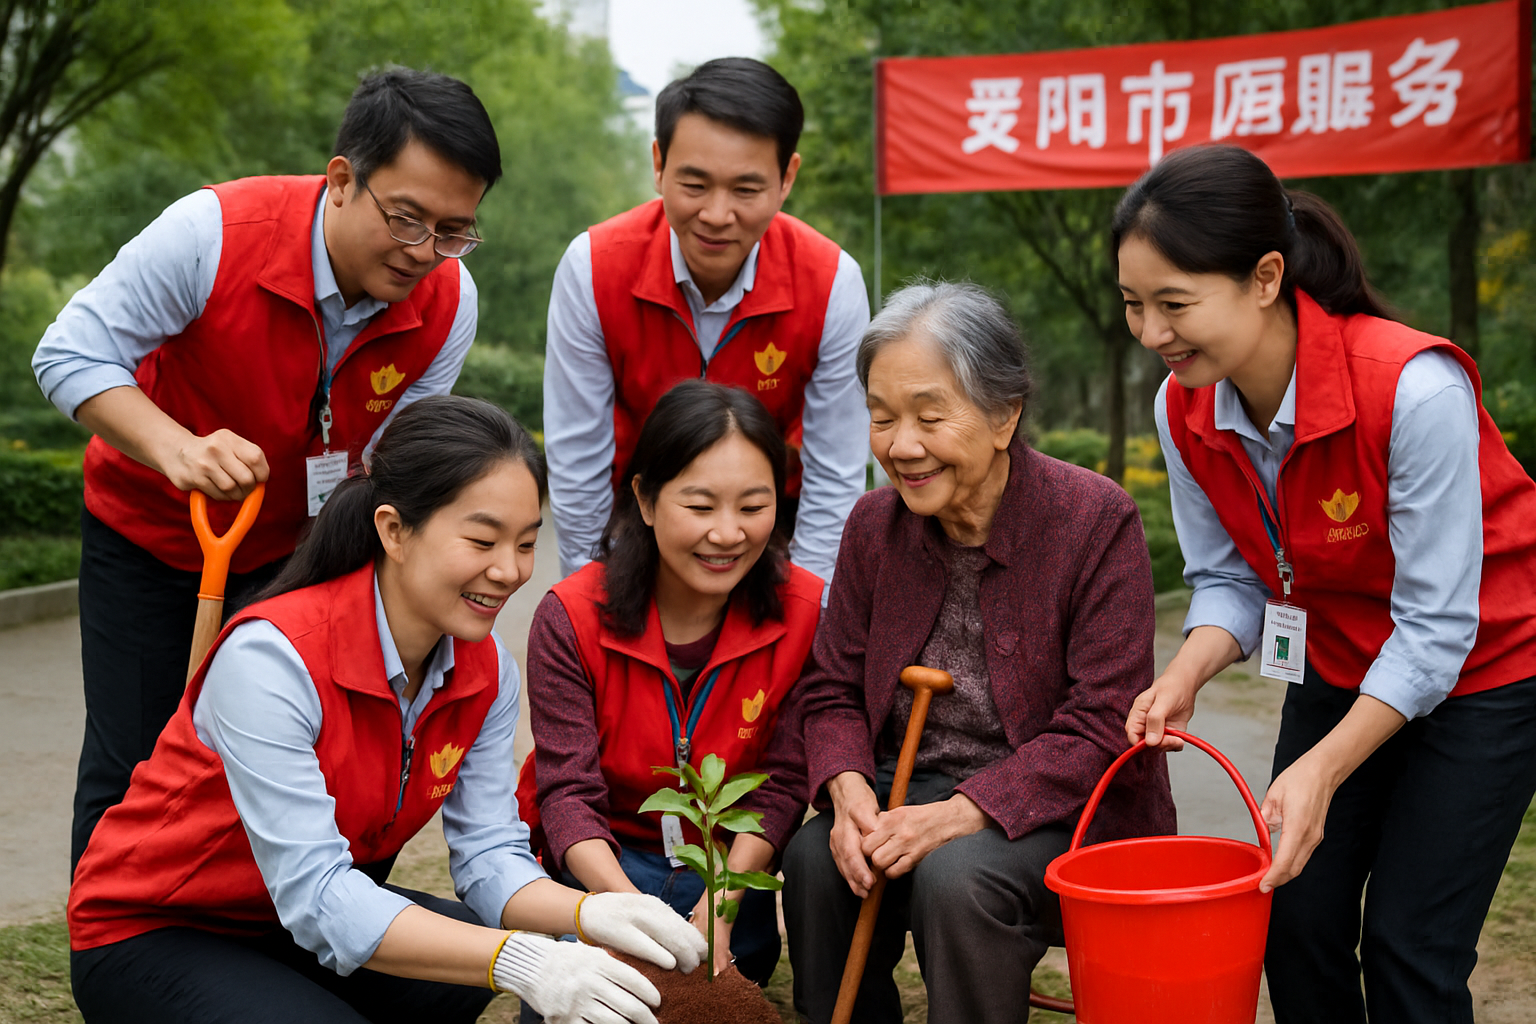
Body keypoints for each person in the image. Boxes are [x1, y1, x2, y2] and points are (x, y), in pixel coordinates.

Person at [67, 396, 707, 1024]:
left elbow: (488, 852)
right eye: (482, 539)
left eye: (526, 543)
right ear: (394, 530)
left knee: (461, 965)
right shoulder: (272, 659)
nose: (510, 571)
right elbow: (320, 894)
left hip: (284, 923)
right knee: (480, 957)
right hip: (157, 927)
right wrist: (523, 960)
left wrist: (586, 913)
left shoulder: (485, 673)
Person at [30, 69, 502, 870]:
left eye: (453, 231)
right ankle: (112, 951)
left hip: (293, 553)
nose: (426, 253)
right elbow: (70, 351)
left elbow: (395, 459)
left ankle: (257, 948)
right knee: (132, 761)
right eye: (406, 219)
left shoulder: (450, 303)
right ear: (343, 179)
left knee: (277, 760)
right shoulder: (213, 232)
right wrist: (178, 448)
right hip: (147, 538)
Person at [1116, 145, 1536, 1024]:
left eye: (1175, 304)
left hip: (1487, 673)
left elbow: (1434, 634)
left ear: (1266, 277)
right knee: (1294, 920)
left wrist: (1323, 768)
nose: (1153, 333)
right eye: (1133, 305)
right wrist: (1184, 675)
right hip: (1340, 661)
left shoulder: (1415, 391)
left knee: (1409, 945)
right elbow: (1230, 578)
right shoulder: (1181, 407)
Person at [781, 283, 1175, 1024]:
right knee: (814, 863)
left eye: (930, 416)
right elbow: (830, 687)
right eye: (882, 416)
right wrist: (847, 790)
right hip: (912, 788)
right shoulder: (874, 526)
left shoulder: (1094, 521)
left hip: (1071, 812)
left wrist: (966, 812)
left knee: (957, 876)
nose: (902, 445)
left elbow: (1100, 724)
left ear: (1004, 415)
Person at [518, 379, 822, 1005]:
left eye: (753, 505)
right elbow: (568, 792)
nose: (728, 533)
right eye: (701, 505)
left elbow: (788, 782)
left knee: (708, 997)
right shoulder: (571, 616)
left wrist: (722, 905)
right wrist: (623, 915)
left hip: (725, 867)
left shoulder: (807, 613)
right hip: (601, 861)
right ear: (646, 500)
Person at [542, 56, 869, 590]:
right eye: (694, 185)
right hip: (637, 515)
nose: (717, 215)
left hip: (768, 525)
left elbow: (836, 476)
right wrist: (587, 593)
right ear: (658, 164)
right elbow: (578, 457)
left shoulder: (831, 282)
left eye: (745, 190)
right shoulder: (594, 266)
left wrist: (811, 610)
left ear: (787, 178)